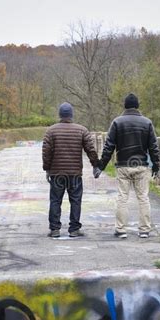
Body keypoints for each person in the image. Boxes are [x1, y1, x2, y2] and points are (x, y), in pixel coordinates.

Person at [96, 93, 160, 239]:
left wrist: (101, 166)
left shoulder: (117, 122)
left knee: (122, 198)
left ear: (125, 106)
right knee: (143, 197)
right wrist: (156, 166)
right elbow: (153, 147)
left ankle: (121, 229)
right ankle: (144, 230)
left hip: (123, 165)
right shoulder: (147, 123)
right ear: (137, 106)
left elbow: (109, 146)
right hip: (141, 166)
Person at [42, 102, 99, 238]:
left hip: (57, 173)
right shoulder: (82, 130)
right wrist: (96, 165)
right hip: (74, 174)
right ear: (71, 115)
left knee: (55, 200)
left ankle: (55, 229)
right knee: (75, 200)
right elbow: (90, 149)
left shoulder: (51, 131)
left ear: (60, 115)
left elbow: (46, 152)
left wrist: (47, 169)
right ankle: (74, 229)